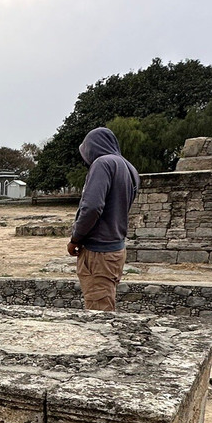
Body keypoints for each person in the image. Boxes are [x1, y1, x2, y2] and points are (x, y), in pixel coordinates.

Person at [66, 127, 140, 311]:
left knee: (98, 311)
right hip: (115, 247)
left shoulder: (102, 164)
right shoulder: (129, 168)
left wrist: (76, 238)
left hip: (98, 252)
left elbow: (92, 207)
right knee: (105, 301)